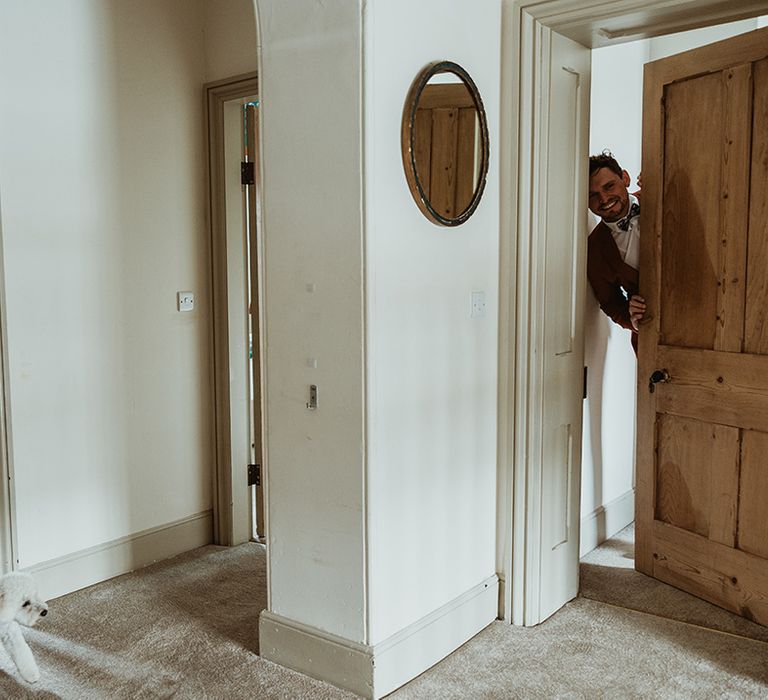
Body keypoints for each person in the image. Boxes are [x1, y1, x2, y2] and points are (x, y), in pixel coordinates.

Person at [587, 151, 646, 353]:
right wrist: (631, 319)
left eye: (608, 186)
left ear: (625, 178)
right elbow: (610, 302)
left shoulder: (660, 193)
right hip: (652, 339)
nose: (604, 199)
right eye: (593, 195)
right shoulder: (594, 247)